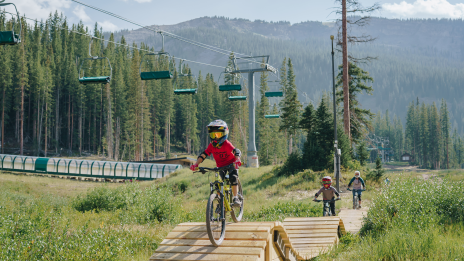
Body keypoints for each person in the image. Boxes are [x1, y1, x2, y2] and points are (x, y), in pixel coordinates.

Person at [190, 119, 242, 206]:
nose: (215, 138)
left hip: (231, 164)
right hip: (220, 166)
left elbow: (236, 151)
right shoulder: (211, 146)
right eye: (213, 135)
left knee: (233, 177)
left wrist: (237, 160)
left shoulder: (227, 144)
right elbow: (204, 154)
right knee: (217, 184)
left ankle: (235, 197)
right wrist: (196, 164)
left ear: (224, 134)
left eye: (218, 134)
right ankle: (221, 202)